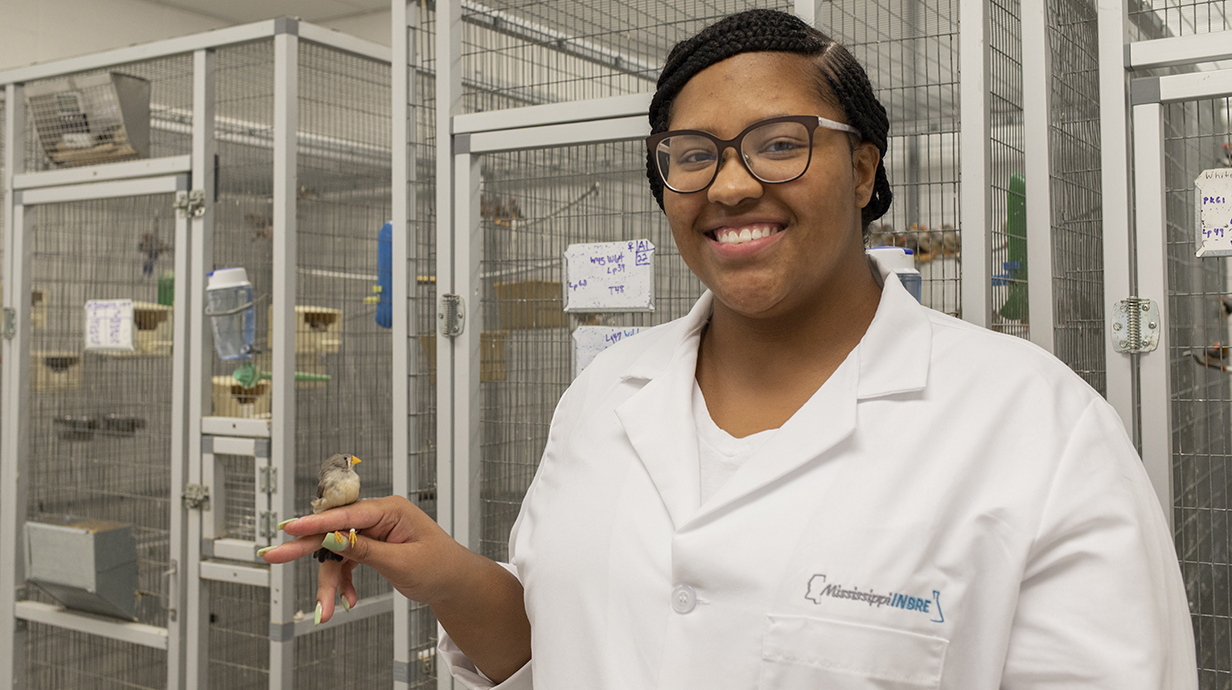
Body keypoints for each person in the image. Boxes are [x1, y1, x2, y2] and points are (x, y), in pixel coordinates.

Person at [263, 9, 1198, 688]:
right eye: (694, 153)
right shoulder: (602, 400)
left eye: (780, 143)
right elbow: (556, 653)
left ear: (865, 165)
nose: (733, 184)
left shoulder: (1037, 427)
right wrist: (452, 577)